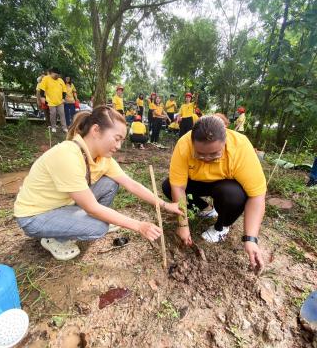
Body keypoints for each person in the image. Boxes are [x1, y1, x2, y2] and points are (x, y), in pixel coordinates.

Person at [14, 106, 182, 261]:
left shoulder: (103, 158)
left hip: (62, 203)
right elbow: (92, 208)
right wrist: (139, 226)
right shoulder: (67, 155)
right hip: (35, 215)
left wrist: (165, 205)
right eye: (117, 139)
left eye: (122, 140)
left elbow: (132, 185)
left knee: (110, 183)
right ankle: (55, 239)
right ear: (96, 130)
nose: (119, 146)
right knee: (98, 227)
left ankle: (80, 223)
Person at [162, 115, 266, 273]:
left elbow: (257, 196)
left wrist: (250, 239)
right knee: (168, 186)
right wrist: (183, 225)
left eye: (213, 154)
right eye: (200, 154)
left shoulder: (240, 146)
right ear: (192, 143)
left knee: (233, 195)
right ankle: (206, 209)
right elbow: (178, 187)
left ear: (225, 142)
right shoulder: (183, 145)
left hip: (224, 184)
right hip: (196, 180)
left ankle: (222, 226)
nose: (206, 159)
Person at [39, 67, 67, 133]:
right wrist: (42, 97)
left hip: (60, 101)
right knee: (53, 114)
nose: (57, 76)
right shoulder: (46, 78)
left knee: (62, 114)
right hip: (51, 101)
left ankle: (64, 128)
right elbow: (42, 88)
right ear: (51, 73)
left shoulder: (60, 80)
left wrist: (63, 98)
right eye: (55, 75)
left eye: (58, 75)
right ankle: (53, 127)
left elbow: (64, 90)